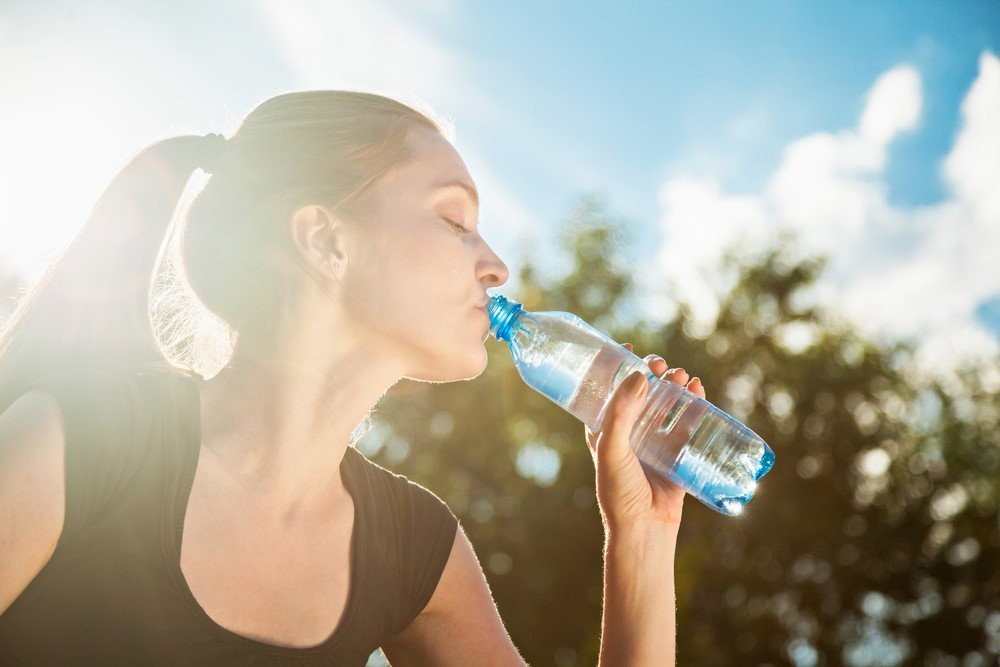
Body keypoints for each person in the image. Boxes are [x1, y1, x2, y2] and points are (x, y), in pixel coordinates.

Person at [0, 91, 705, 665]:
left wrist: (642, 537)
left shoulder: (411, 547)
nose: (496, 266)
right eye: (454, 219)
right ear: (326, 240)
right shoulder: (80, 441)